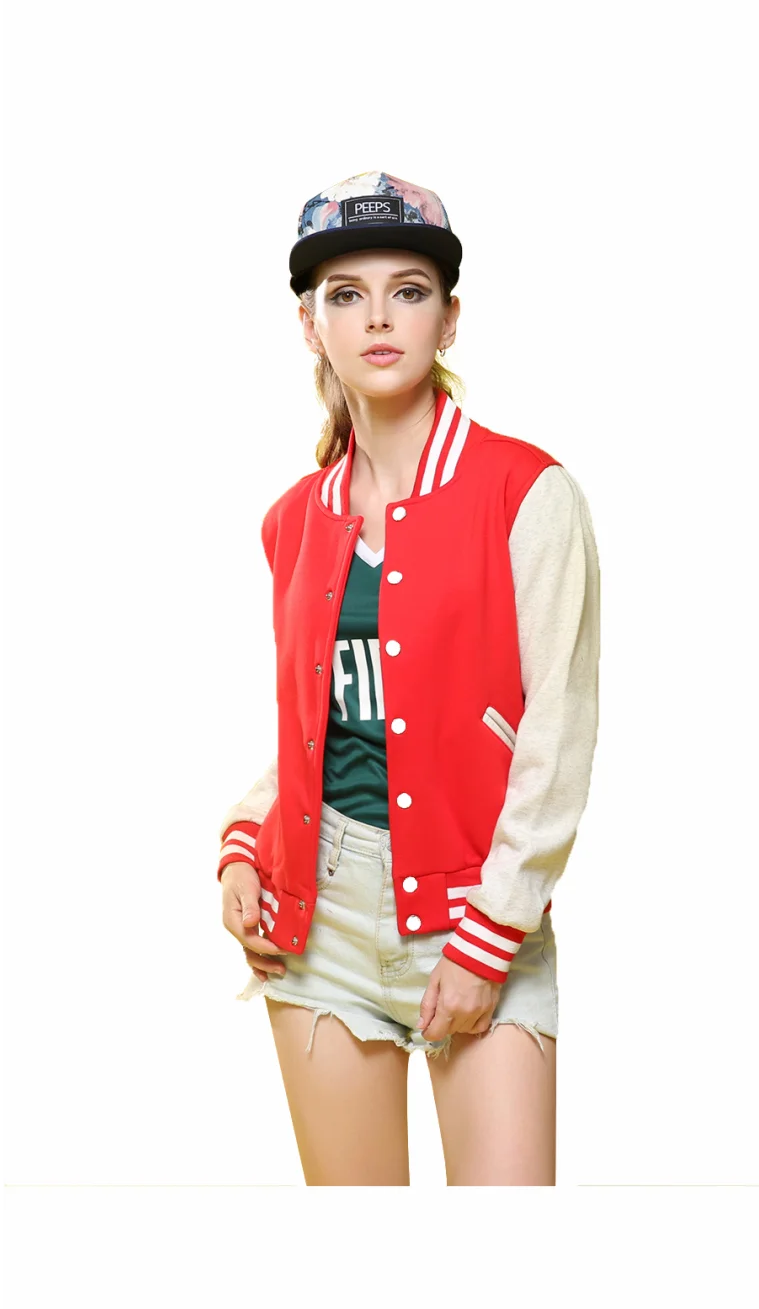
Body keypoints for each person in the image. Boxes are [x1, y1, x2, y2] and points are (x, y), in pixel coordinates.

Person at [217, 170, 601, 1185]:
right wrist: (244, 846)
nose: (379, 317)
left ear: (450, 318)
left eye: (410, 290)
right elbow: (325, 726)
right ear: (311, 326)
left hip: (477, 908)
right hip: (317, 923)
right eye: (347, 294)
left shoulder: (528, 493)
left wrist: (489, 939)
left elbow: (556, 738)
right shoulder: (293, 520)